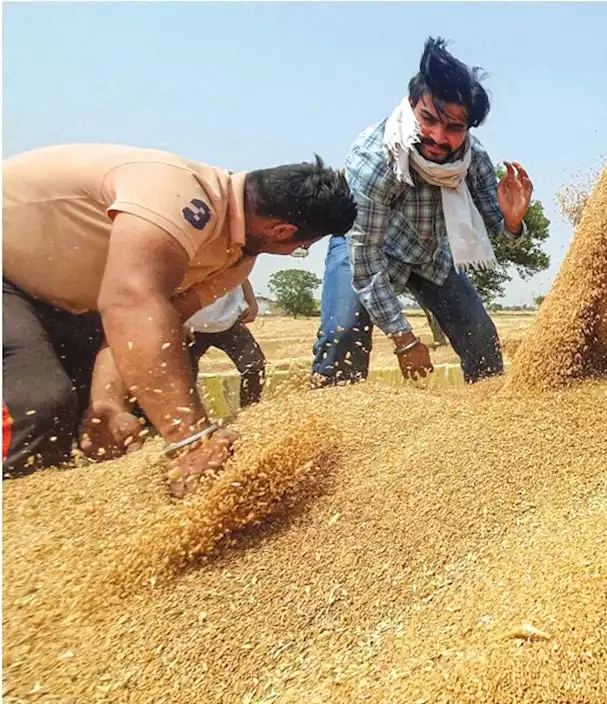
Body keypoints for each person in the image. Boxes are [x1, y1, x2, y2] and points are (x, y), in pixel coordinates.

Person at [2, 143, 356, 494]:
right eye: (300, 249)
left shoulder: (236, 260)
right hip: (11, 277)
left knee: (88, 419)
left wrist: (107, 402)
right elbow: (132, 303)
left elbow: (155, 322)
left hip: (69, 304)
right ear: (282, 231)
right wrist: (191, 439)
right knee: (38, 406)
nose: (296, 253)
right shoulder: (177, 194)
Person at [311, 37, 534, 386]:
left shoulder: (473, 160)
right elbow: (366, 263)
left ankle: (490, 424)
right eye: (428, 119)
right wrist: (404, 339)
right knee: (341, 337)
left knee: (482, 340)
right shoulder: (375, 160)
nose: (438, 137)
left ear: (469, 129)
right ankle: (327, 425)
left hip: (429, 255)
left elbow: (501, 234)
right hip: (368, 249)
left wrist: (513, 220)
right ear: (412, 103)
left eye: (454, 128)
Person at [185, 280, 267, 409]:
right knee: (182, 375)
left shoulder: (232, 260)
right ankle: (179, 420)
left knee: (254, 366)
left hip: (229, 321)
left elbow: (242, 276)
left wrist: (252, 303)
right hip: (190, 325)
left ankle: (250, 412)